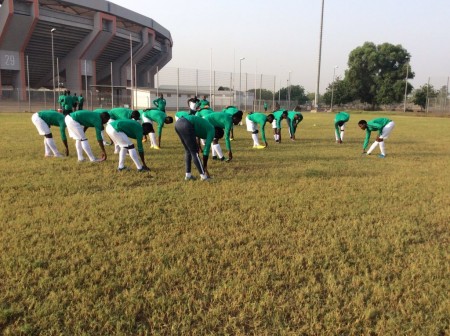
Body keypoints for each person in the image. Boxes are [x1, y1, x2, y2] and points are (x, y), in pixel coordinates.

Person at [174, 114, 216, 181]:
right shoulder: (212, 130)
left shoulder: (207, 127)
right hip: (186, 124)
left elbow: (196, 133)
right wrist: (205, 166)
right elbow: (207, 149)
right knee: (194, 152)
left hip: (178, 123)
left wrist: (199, 145)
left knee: (188, 151)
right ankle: (203, 177)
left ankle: (188, 176)